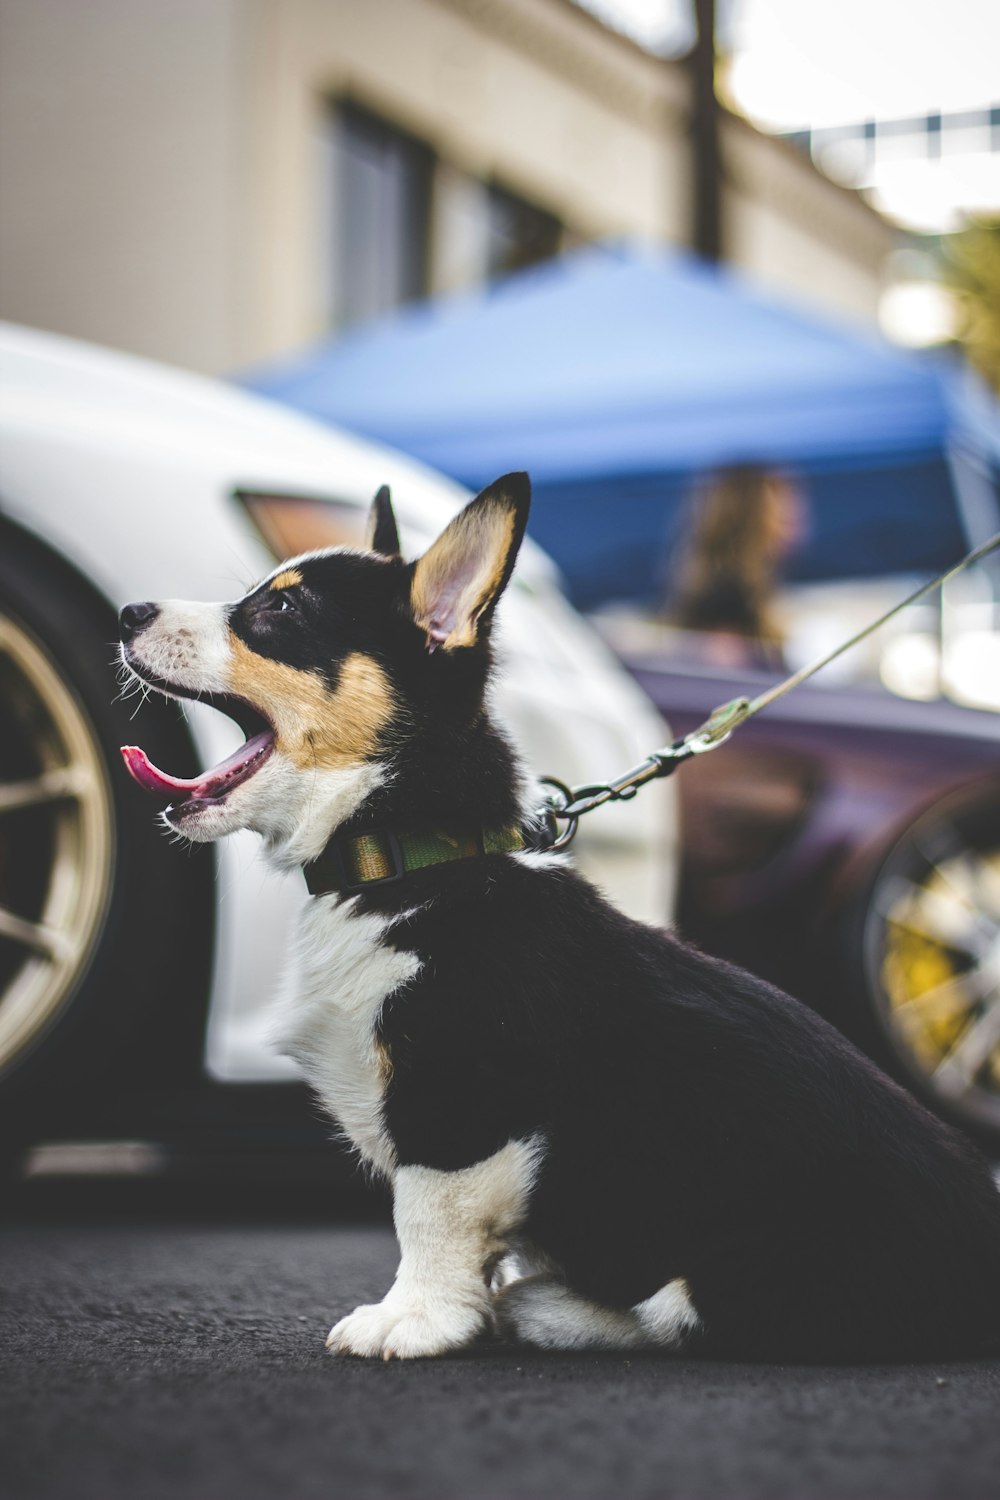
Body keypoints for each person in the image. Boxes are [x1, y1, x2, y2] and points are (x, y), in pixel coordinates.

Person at [667, 465, 805, 669]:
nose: (797, 522)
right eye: (785, 515)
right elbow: (725, 674)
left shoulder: (734, 588)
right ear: (752, 519)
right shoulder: (726, 597)